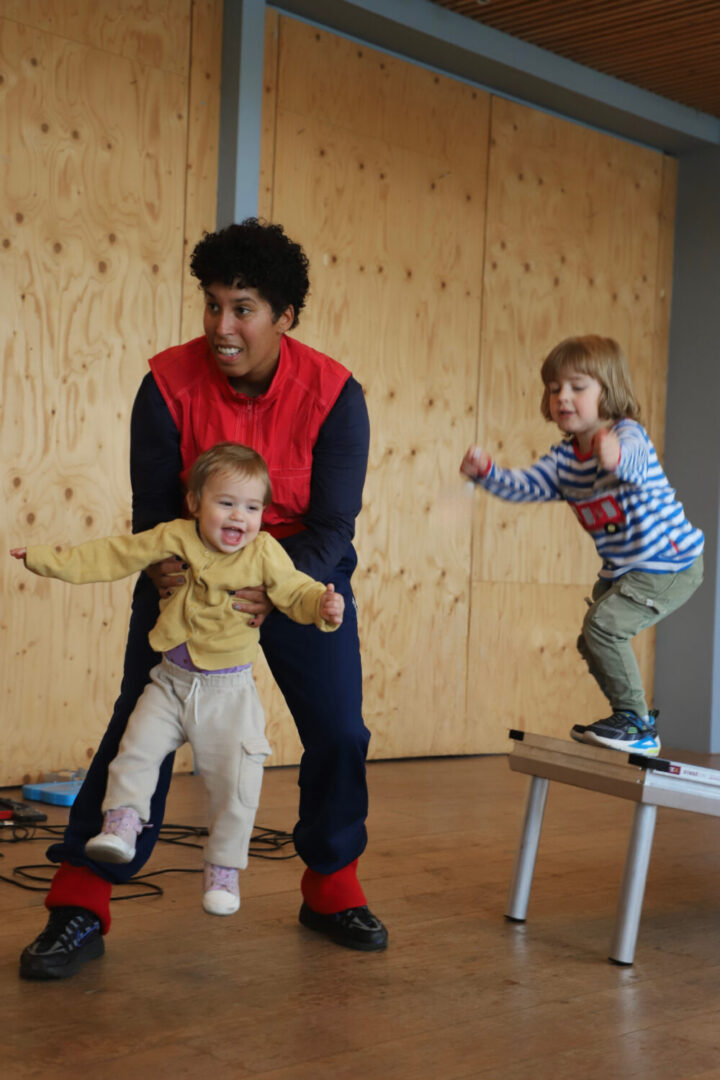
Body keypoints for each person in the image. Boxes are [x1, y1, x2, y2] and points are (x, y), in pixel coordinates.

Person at [19, 218, 388, 981]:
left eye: (243, 309)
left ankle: (331, 887)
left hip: (295, 571)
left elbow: (333, 524)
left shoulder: (335, 396)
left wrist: (274, 589)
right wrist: (168, 570)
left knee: (341, 731)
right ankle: (80, 902)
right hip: (189, 570)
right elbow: (154, 511)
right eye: (213, 305)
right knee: (138, 723)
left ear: (284, 317)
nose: (222, 326)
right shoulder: (164, 385)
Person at [11, 443, 344, 918]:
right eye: (225, 503)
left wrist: (323, 607)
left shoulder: (265, 552)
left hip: (229, 695)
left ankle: (223, 869)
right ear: (195, 503)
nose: (239, 516)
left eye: (252, 508)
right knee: (135, 752)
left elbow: (297, 592)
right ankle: (123, 823)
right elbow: (112, 555)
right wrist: (45, 558)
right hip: (170, 682)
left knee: (238, 786)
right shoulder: (175, 536)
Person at [460, 334, 704, 756]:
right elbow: (525, 486)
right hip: (626, 570)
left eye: (577, 387)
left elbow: (633, 460)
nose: (563, 397)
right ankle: (628, 717)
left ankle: (637, 723)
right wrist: (488, 473)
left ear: (608, 392)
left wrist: (614, 456)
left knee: (603, 627)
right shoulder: (564, 462)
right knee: (591, 639)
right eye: (554, 389)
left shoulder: (628, 435)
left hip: (670, 563)